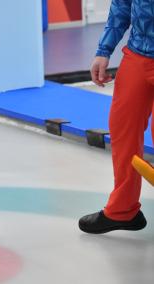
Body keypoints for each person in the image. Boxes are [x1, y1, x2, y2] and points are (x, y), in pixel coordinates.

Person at [79, 0, 153, 234]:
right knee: (123, 129)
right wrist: (103, 50)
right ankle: (123, 210)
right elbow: (122, 6)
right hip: (138, 53)